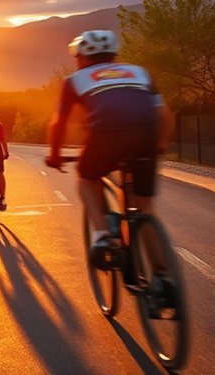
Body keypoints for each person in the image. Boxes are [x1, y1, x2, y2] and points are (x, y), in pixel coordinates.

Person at [45, 30, 174, 285]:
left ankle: (103, 234)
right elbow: (165, 116)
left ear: (80, 57)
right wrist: (158, 145)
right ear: (114, 55)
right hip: (145, 136)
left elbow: (58, 122)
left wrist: (56, 155)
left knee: (86, 179)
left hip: (105, 136)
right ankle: (163, 278)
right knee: (145, 208)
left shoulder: (74, 80)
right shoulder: (140, 73)